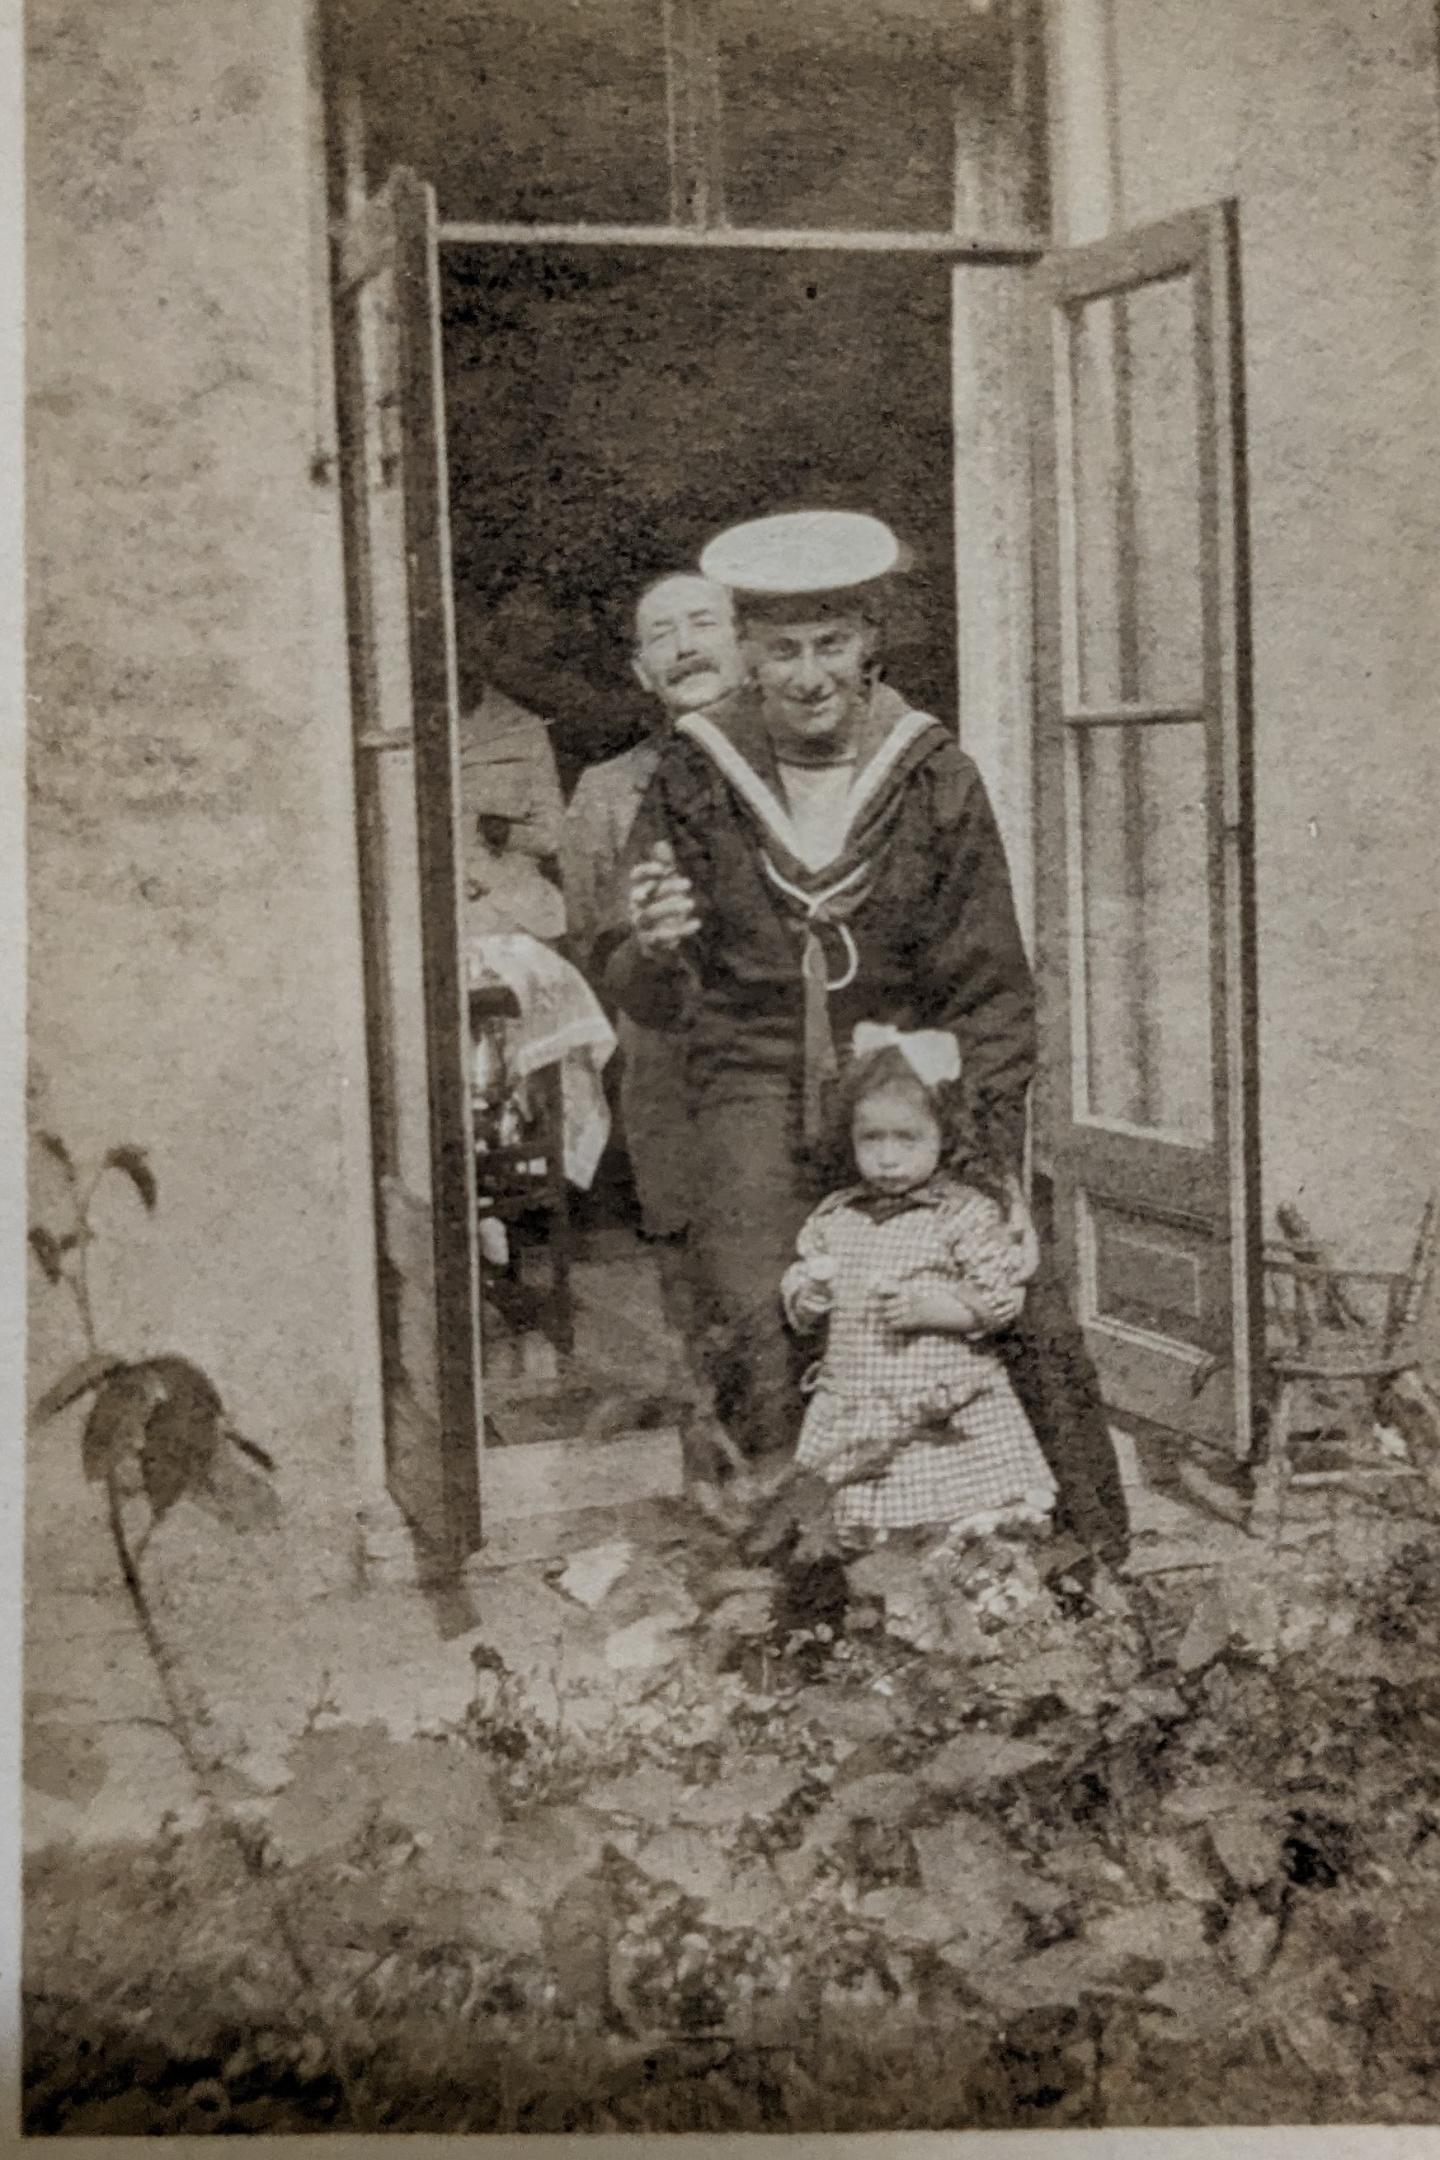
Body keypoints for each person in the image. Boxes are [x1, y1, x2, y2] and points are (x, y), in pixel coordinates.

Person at [607, 509, 1128, 1572]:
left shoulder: (934, 774)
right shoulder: (695, 776)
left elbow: (990, 986)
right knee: (758, 1309)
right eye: (784, 650)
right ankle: (799, 1591)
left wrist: (981, 1155)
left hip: (909, 1074)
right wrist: (655, 949)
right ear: (747, 654)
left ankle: (1075, 1563)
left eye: (831, 645)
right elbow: (643, 990)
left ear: (870, 643)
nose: (808, 676)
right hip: (752, 1076)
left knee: (1007, 1293)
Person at [561, 575, 745, 1445]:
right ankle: (719, 1474)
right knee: (693, 1271)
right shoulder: (606, 792)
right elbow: (593, 942)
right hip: (670, 1061)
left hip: (787, 1058)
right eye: (662, 635)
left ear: (745, 643)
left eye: (705, 622)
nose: (686, 645)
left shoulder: (806, 763)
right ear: (642, 673)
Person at [782, 1027, 1056, 1538]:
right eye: (872, 1139)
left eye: (907, 1139)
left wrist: (934, 1311)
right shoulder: (836, 1216)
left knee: (957, 1527)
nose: (888, 1158)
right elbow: (801, 1279)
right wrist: (809, 1296)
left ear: (944, 1137)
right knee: (864, 1524)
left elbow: (999, 1299)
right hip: (859, 1403)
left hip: (942, 1410)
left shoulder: (961, 1214)